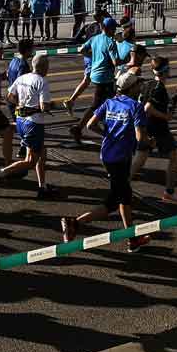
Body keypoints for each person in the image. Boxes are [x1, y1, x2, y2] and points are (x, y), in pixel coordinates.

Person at [61, 71, 149, 252]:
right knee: (115, 201)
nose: (140, 87)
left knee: (124, 197)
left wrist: (108, 136)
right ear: (131, 88)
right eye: (137, 84)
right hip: (121, 158)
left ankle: (132, 239)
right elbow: (141, 138)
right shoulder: (136, 106)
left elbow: (90, 125)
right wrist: (151, 142)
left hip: (107, 154)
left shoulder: (109, 102)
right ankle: (75, 222)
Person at [0, 54, 59, 198]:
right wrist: (54, 105)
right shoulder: (42, 81)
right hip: (33, 124)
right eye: (47, 66)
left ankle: (43, 187)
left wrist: (20, 105)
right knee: (30, 161)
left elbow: (9, 96)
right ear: (44, 67)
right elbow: (44, 107)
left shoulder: (22, 78)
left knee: (42, 153)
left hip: (21, 121)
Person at [131, 57, 177, 202]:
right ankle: (169, 191)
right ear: (165, 71)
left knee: (140, 158)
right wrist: (165, 116)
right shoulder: (159, 88)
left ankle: (121, 187)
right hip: (158, 128)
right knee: (173, 156)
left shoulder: (148, 84)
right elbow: (148, 108)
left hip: (143, 126)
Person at [73, 17, 121, 144]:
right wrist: (126, 59)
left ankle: (89, 126)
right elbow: (116, 62)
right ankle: (80, 127)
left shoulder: (94, 38)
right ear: (108, 28)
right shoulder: (110, 42)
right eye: (113, 28)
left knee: (104, 103)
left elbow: (81, 50)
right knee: (101, 104)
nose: (115, 30)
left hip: (95, 75)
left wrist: (94, 56)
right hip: (105, 77)